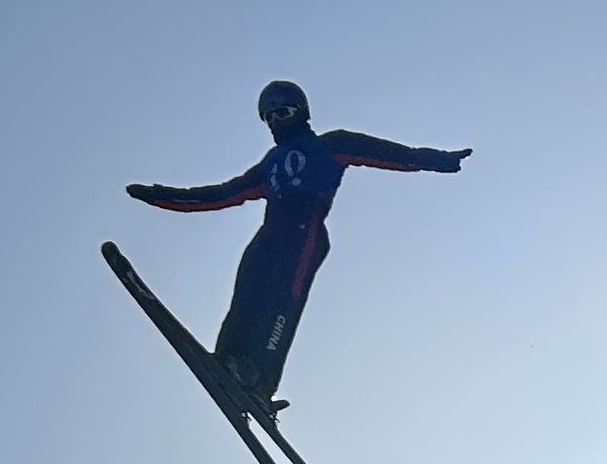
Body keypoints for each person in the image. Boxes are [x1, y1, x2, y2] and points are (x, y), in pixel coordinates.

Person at [125, 81, 469, 411]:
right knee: (247, 291)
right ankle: (229, 362)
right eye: (269, 117)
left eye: (283, 112)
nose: (276, 121)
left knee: (281, 301)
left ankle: (261, 383)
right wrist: (159, 196)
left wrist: (441, 160)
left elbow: (390, 154)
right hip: (271, 233)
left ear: (302, 112)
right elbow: (219, 194)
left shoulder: (331, 145)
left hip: (305, 233)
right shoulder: (269, 164)